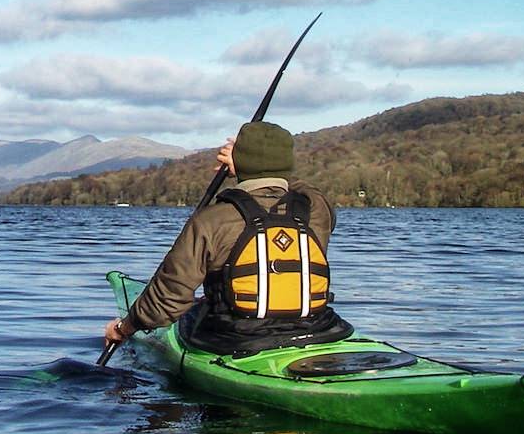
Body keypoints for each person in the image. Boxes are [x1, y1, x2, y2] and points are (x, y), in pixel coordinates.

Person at [103, 121, 352, 356]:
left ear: (239, 163)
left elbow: (167, 299)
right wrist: (259, 165)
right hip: (317, 329)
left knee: (194, 310)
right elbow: (306, 188)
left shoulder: (211, 220)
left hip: (235, 339)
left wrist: (124, 328)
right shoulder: (318, 210)